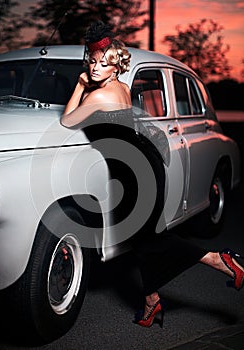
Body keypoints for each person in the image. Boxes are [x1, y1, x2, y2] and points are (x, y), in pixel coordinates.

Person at [61, 20, 244, 329]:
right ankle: (152, 302)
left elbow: (67, 121)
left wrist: (80, 84)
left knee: (150, 242)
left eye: (103, 63)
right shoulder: (121, 88)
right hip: (142, 163)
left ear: (115, 66)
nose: (94, 68)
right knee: (143, 239)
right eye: (91, 62)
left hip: (134, 171)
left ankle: (219, 260)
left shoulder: (97, 96)